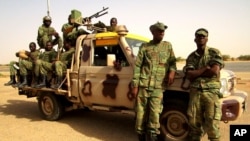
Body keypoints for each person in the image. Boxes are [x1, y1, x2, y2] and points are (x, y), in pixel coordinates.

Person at [131, 22, 177, 141]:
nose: (162, 32)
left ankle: (152, 135)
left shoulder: (168, 46)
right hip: (143, 87)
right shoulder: (145, 47)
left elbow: (172, 62)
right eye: (159, 30)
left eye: (163, 30)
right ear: (153, 32)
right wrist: (135, 86)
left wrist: (172, 72)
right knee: (140, 115)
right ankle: (141, 136)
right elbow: (137, 66)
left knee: (155, 114)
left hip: (158, 87)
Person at [183, 28, 224, 141]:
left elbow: (214, 71)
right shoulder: (191, 56)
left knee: (212, 124)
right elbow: (190, 74)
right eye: (198, 36)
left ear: (207, 39)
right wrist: (205, 68)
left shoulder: (214, 52)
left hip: (211, 92)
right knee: (194, 123)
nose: (201, 38)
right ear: (195, 39)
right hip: (195, 92)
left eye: (203, 36)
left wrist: (198, 72)